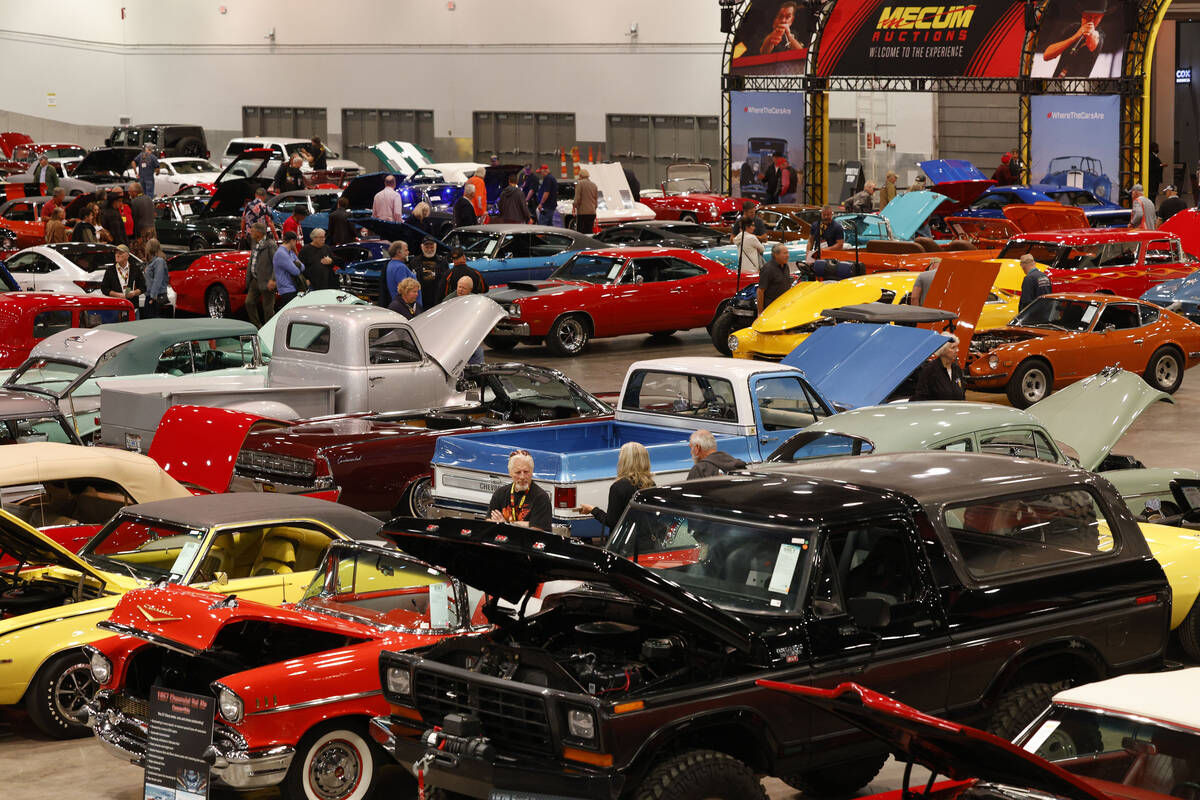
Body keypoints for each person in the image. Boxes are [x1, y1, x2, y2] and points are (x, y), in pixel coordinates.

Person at [578, 442, 654, 531]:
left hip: (625, 541)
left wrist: (593, 510)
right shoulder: (651, 484)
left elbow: (612, 522)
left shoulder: (618, 487)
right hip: (646, 539)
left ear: (624, 461)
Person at [487, 450, 552, 532]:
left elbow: (537, 529)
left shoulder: (541, 497)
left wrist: (506, 524)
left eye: (526, 472)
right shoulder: (500, 493)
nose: (522, 477)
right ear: (510, 473)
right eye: (518, 472)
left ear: (532, 472)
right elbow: (489, 521)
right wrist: (526, 524)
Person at [1041, 6, 1107, 78]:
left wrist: (1091, 34)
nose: (1091, 21)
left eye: (1096, 17)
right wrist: (1075, 37)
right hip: (1057, 81)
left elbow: (1093, 43)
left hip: (1077, 85)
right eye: (1088, 16)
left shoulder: (1099, 34)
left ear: (1101, 17)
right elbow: (1047, 55)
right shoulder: (1073, 29)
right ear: (1082, 15)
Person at [911, 336, 965, 401]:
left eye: (957, 347)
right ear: (942, 350)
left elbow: (962, 396)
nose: (957, 350)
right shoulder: (930, 369)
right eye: (953, 348)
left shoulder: (957, 369)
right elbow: (920, 397)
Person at [245, 222, 278, 328]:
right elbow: (252, 260)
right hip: (255, 279)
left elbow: (277, 263)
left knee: (268, 309)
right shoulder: (254, 242)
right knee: (249, 303)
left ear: (259, 232)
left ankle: (269, 330)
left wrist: (273, 279)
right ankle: (258, 326)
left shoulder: (270, 245)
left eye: (253, 231)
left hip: (267, 280)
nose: (250, 233)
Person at [806, 204, 847, 279]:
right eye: (824, 215)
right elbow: (810, 241)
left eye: (828, 215)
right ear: (821, 214)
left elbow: (840, 245)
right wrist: (808, 253)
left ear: (831, 214)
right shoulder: (815, 225)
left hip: (831, 259)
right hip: (817, 256)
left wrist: (824, 250)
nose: (826, 217)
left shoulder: (837, 227)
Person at [454, 275, 486, 365]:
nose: (460, 290)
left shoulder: (476, 301)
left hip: (469, 336)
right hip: (453, 338)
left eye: (463, 288)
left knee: (478, 351)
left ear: (470, 290)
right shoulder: (449, 301)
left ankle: (478, 372)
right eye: (459, 287)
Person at [411, 237, 449, 306]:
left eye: (431, 247)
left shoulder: (442, 262)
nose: (429, 249)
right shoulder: (415, 262)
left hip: (438, 300)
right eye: (427, 247)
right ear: (422, 247)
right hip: (420, 300)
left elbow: (447, 281)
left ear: (435, 247)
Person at [757, 242, 792, 314]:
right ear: (776, 255)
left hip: (784, 306)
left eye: (787, 253)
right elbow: (760, 291)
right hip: (771, 308)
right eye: (785, 253)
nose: (787, 255)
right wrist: (760, 313)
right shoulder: (768, 269)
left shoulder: (786, 266)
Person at [273, 230, 305, 307]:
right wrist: (296, 264)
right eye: (296, 241)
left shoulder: (290, 252)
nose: (296, 243)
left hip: (293, 288)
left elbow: (303, 267)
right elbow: (295, 271)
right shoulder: (281, 253)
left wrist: (297, 265)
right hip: (287, 290)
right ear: (292, 241)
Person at [381, 240, 417, 307]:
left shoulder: (391, 264)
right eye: (406, 250)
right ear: (399, 252)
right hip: (406, 307)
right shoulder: (400, 267)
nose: (408, 252)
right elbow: (405, 292)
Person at [142, 238, 170, 319]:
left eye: (147, 246)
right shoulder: (151, 262)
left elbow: (158, 279)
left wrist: (152, 297)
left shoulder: (159, 261)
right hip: (150, 297)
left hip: (156, 298)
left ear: (150, 248)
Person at [573, 168, 598, 233]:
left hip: (583, 212)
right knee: (589, 231)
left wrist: (574, 206)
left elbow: (577, 198)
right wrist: (594, 209)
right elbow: (596, 200)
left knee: (581, 232)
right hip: (592, 212)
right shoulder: (594, 185)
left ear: (580, 175)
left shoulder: (580, 184)